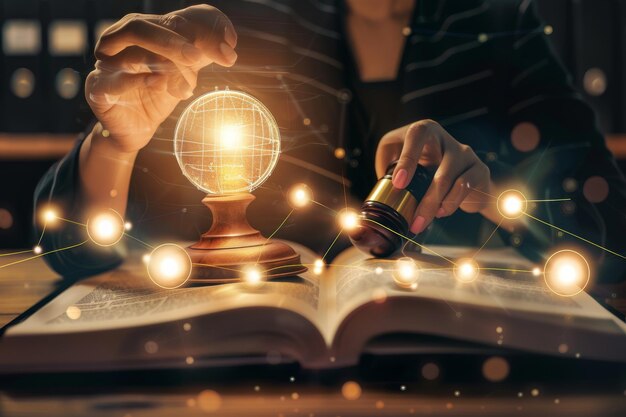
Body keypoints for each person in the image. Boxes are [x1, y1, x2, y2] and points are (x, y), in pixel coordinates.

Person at [35, 0, 626, 283]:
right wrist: (116, 145)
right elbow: (70, 248)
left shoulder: (502, 26)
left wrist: (493, 191)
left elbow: (610, 226)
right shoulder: (238, 26)